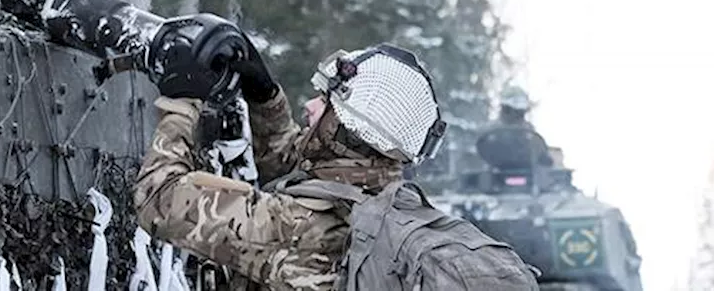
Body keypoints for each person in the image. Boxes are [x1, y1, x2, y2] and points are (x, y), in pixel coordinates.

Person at [134, 43, 446, 289]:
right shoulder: (381, 195)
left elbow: (158, 200)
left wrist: (182, 104)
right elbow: (300, 171)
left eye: (325, 103)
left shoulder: (303, 226)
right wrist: (265, 97)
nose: (309, 106)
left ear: (346, 130)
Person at [475, 84, 554, 173]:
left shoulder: (529, 132)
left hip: (528, 176)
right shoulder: (490, 132)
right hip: (496, 176)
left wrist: (545, 158)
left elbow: (539, 152)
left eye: (520, 112)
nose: (515, 116)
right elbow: (480, 154)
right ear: (504, 109)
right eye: (509, 110)